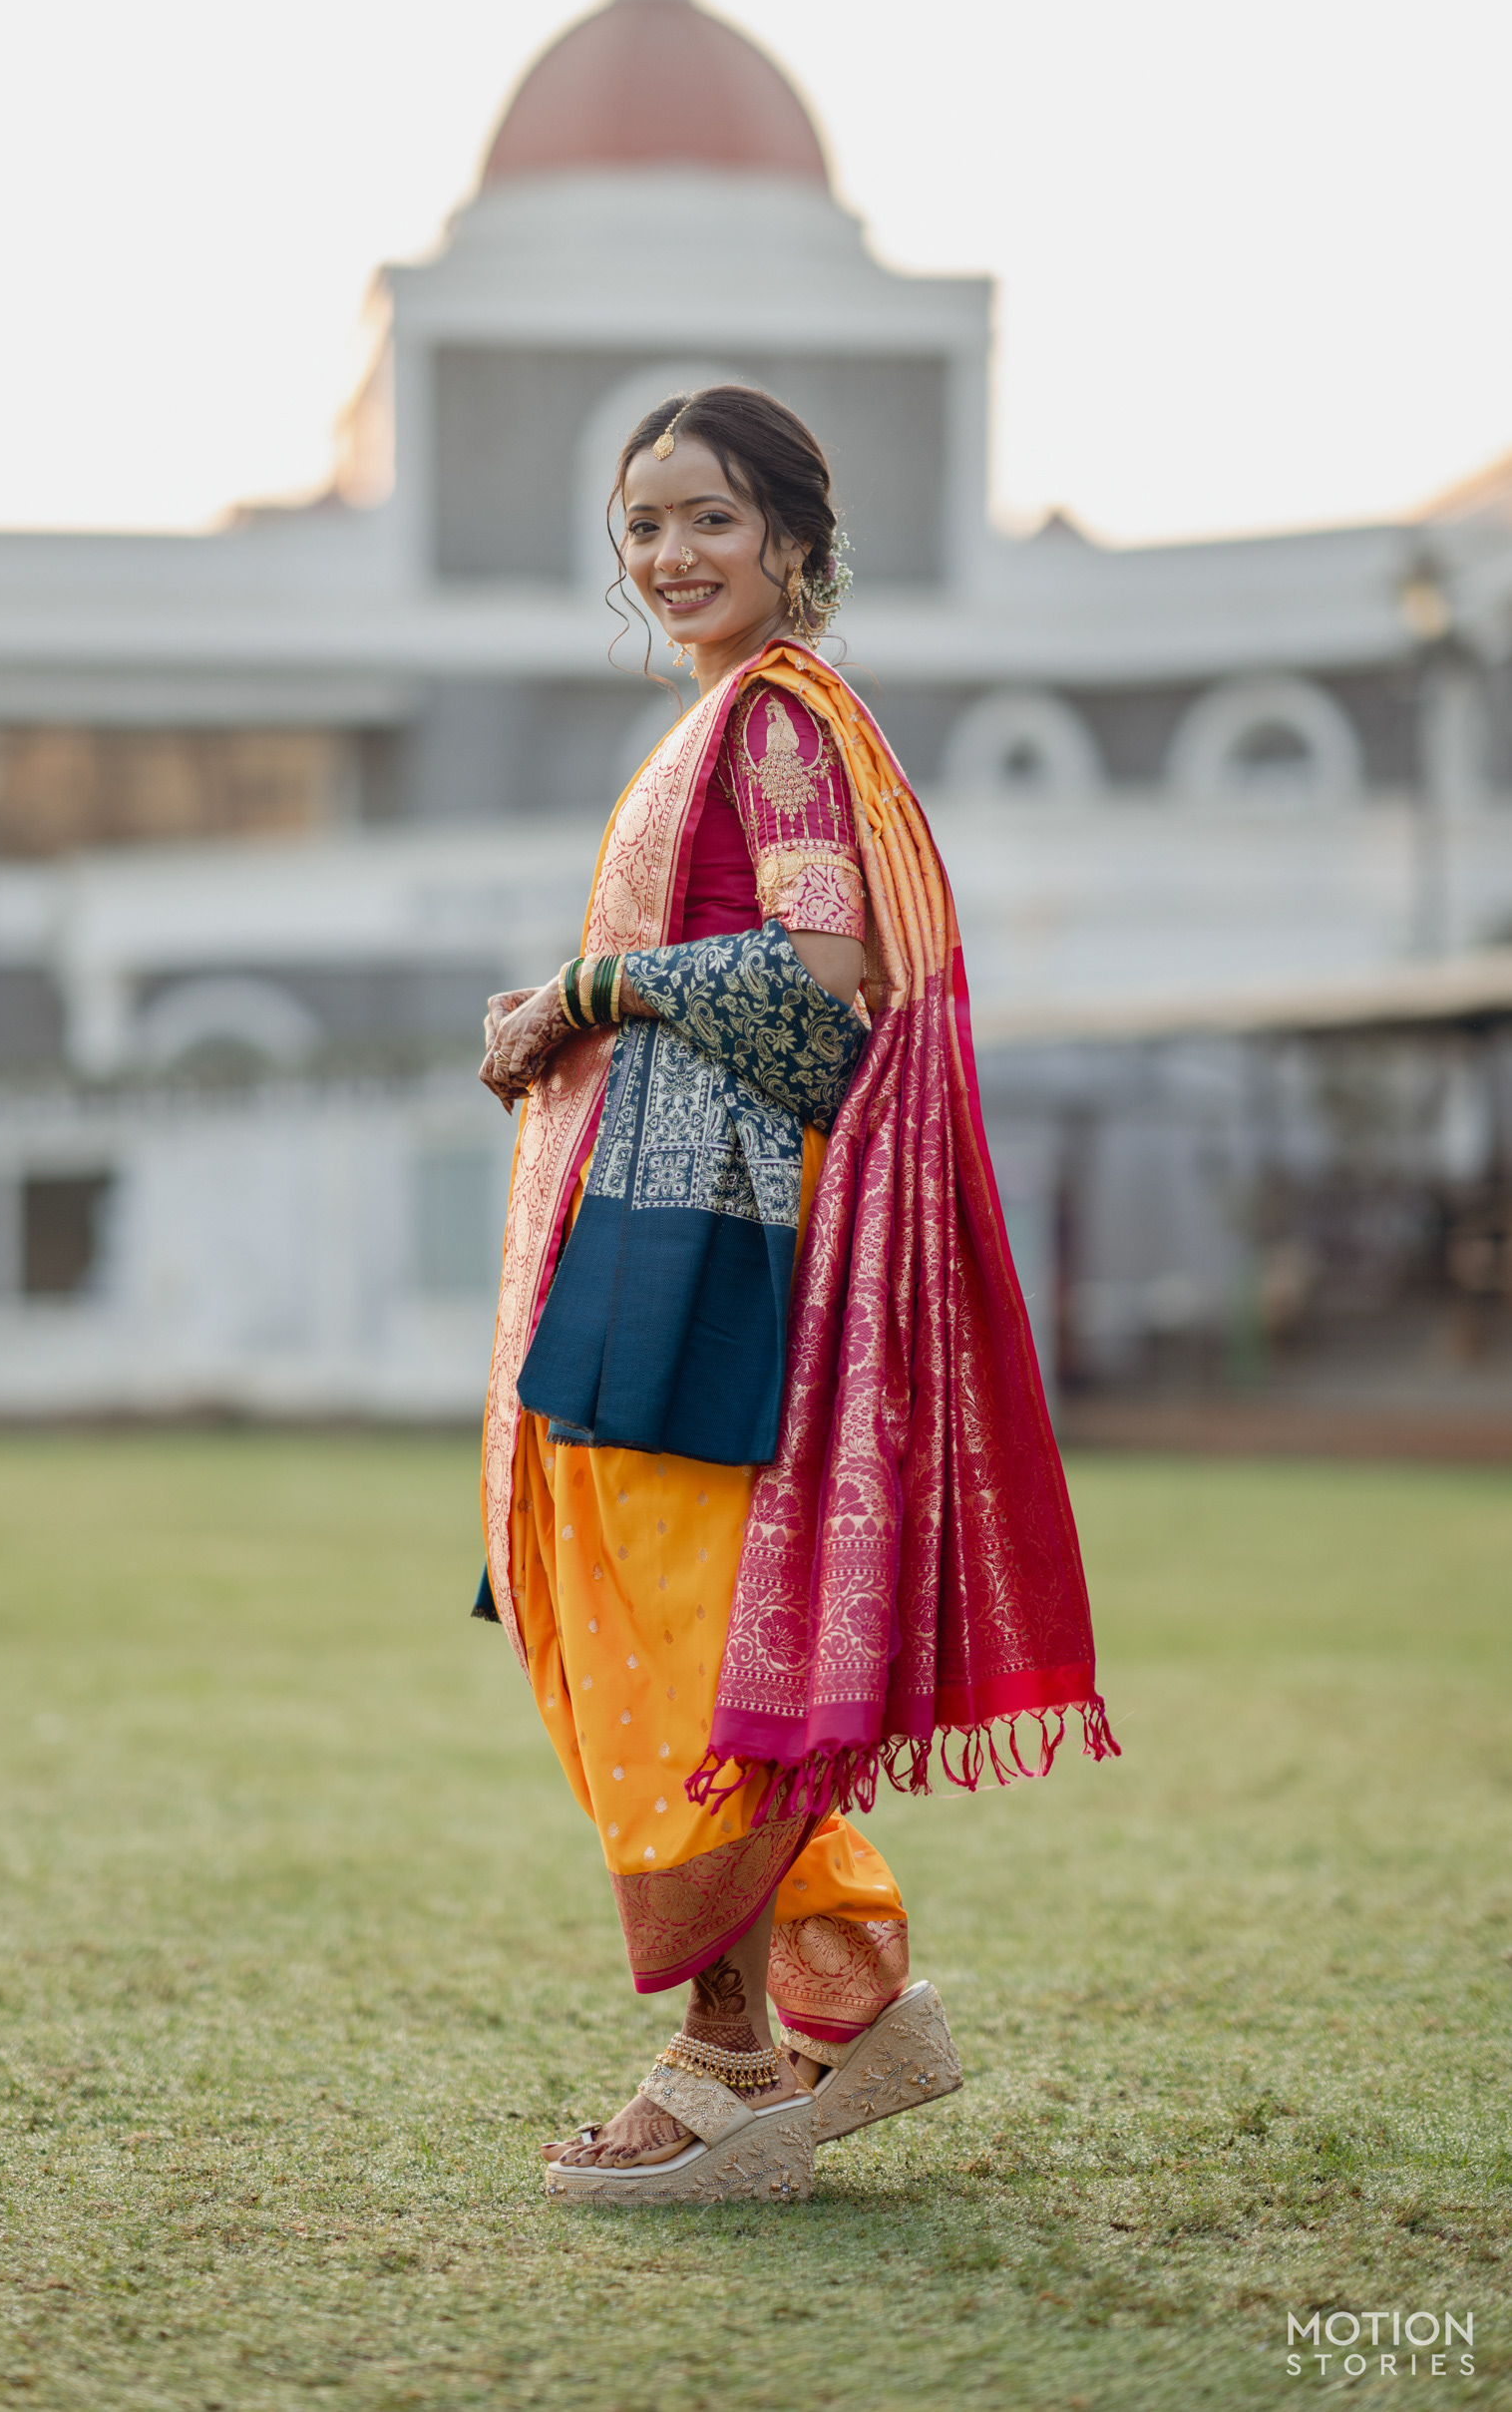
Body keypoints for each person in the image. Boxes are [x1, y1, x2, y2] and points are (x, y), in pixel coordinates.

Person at [478, 386, 1116, 2206]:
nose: (671, 556)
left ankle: (729, 2065)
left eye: (711, 520)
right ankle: (847, 2009)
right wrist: (576, 1009)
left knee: (679, 1639)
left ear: (794, 542)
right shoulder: (735, 724)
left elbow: (820, 982)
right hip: (669, 1215)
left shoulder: (772, 725)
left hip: (710, 1232)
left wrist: (585, 995)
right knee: (654, 1618)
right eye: (643, 527)